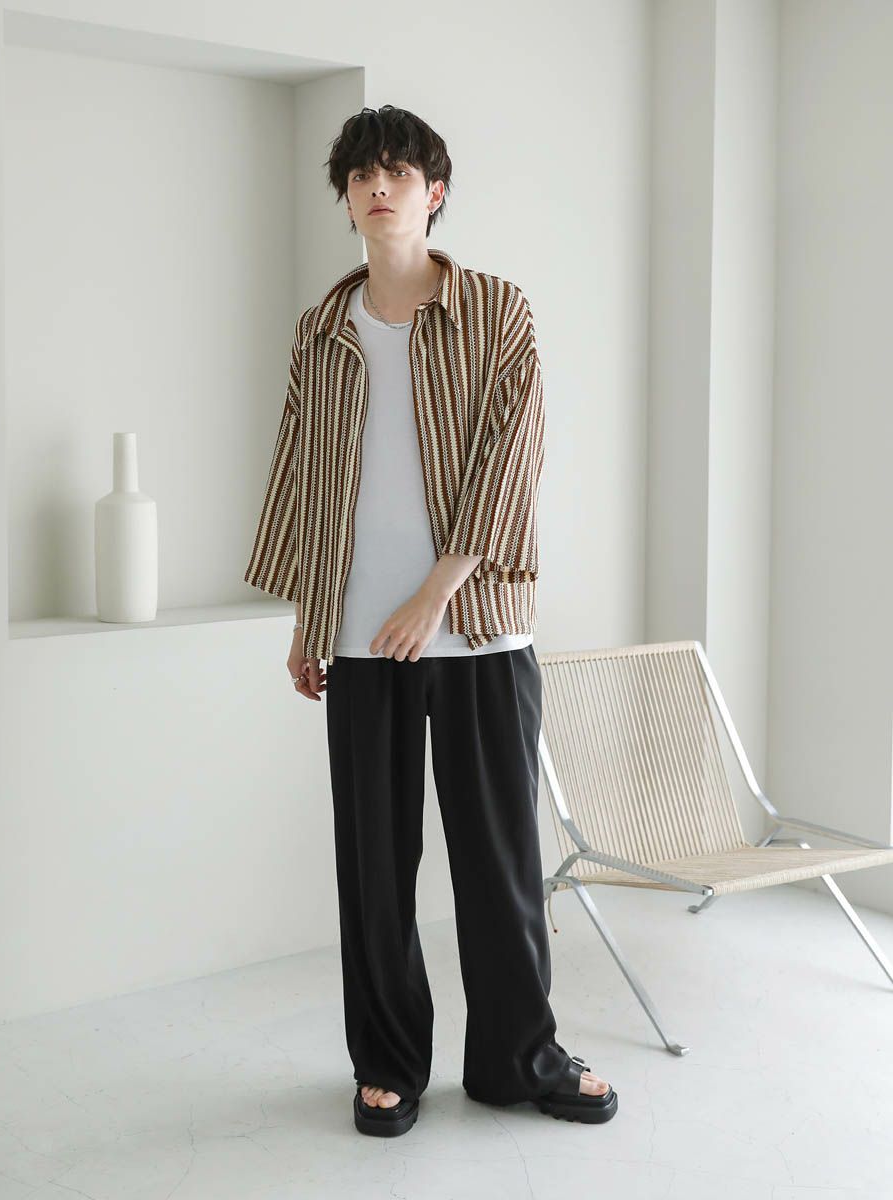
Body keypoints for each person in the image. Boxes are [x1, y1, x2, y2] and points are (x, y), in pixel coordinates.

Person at [244, 105, 617, 1136]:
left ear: (434, 191)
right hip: (360, 638)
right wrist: (309, 620)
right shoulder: (321, 330)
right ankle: (388, 1064)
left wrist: (434, 594)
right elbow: (302, 476)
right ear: (346, 199)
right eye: (362, 175)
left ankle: (517, 1059)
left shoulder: (497, 308)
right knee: (375, 868)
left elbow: (512, 455)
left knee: (497, 861)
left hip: (478, 627)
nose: (380, 187)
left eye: (399, 172)